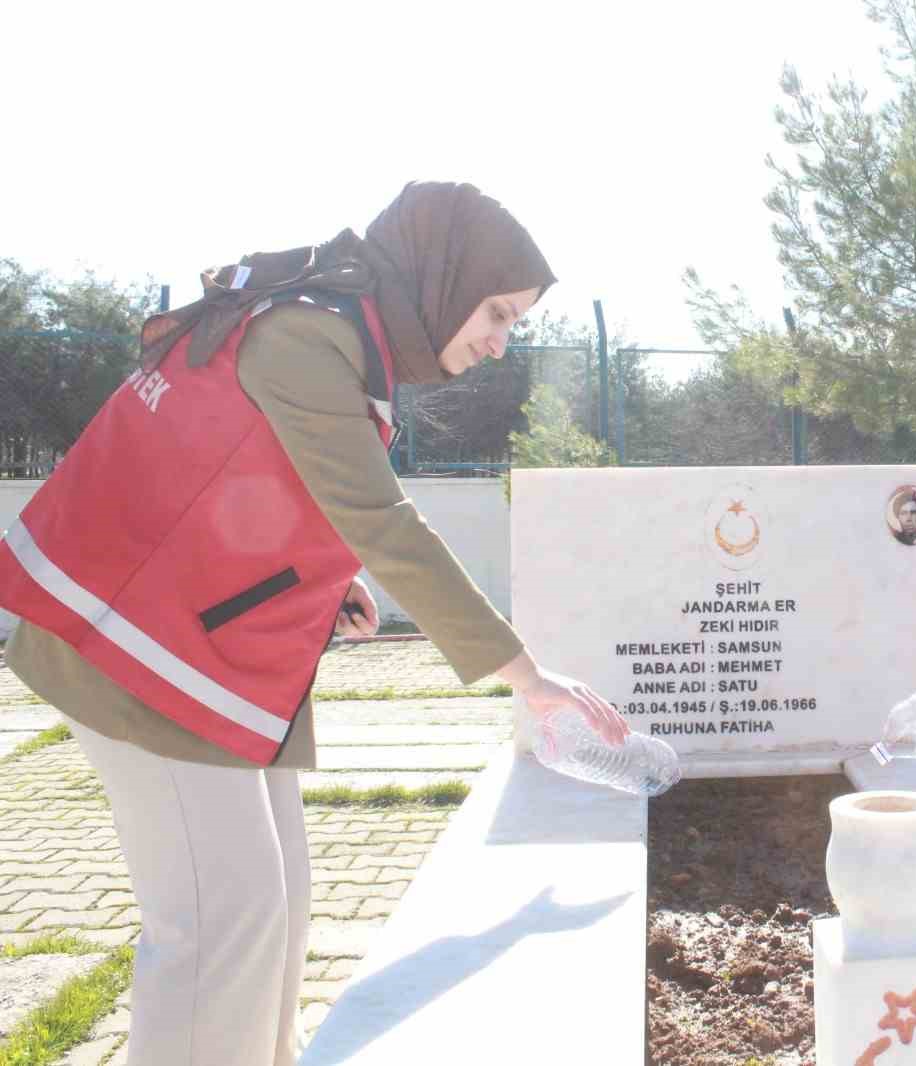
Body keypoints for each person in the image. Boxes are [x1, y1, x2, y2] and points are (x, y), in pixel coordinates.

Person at [0, 181, 628, 1066]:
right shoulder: (311, 335)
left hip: (193, 646)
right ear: (439, 279)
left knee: (277, 906)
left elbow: (230, 467)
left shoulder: (341, 333)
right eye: (495, 311)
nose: (500, 340)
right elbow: (384, 522)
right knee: (219, 925)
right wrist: (526, 675)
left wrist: (326, 585)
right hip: (129, 651)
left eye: (514, 320)